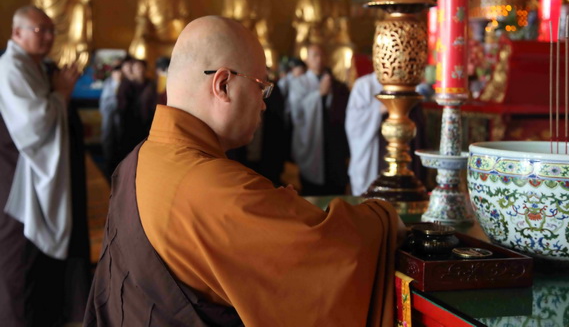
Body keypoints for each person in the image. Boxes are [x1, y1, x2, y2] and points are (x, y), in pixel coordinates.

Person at [85, 16, 403, 326]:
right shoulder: (217, 190)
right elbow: (333, 252)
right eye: (260, 88)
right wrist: (385, 218)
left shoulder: (139, 159)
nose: (263, 104)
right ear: (222, 85)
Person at [0, 6, 90, 326]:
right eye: (41, 30)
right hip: (16, 181)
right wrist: (61, 93)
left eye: (52, 30)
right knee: (18, 264)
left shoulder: (35, 66)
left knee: (39, 264)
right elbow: (33, 125)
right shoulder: (11, 67)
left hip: (37, 176)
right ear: (17, 33)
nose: (50, 37)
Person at [345, 72, 428, 196]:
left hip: (403, 149)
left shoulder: (408, 85)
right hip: (374, 152)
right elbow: (354, 123)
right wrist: (379, 109)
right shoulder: (364, 85)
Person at [288, 44, 350, 196]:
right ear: (307, 59)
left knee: (337, 191)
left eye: (322, 55)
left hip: (334, 144)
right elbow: (297, 112)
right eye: (315, 55)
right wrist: (319, 95)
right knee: (313, 193)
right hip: (311, 140)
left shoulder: (337, 85)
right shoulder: (299, 83)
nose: (319, 59)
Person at [293, 0, 355, 85]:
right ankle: (307, 83)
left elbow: (343, 21)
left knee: (346, 50)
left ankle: (340, 84)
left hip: (331, 40)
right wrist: (310, 25)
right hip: (312, 39)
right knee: (305, 51)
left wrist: (334, 24)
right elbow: (296, 21)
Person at [129, 0, 188, 76]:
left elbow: (184, 16)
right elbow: (141, 17)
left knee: (186, 51)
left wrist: (182, 35)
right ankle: (144, 80)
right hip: (152, 38)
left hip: (173, 39)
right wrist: (143, 33)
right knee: (142, 48)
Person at [222, 0, 278, 70]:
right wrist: (245, 22)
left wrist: (257, 21)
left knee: (269, 51)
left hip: (257, 33)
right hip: (238, 33)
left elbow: (266, 17)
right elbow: (226, 19)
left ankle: (271, 75)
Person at [117, 58, 157, 158]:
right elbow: (122, 106)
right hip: (130, 124)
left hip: (148, 123)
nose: (139, 70)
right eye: (136, 68)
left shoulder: (150, 84)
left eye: (141, 67)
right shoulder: (126, 85)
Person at [99, 58, 124, 179]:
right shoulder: (108, 83)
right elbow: (104, 104)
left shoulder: (126, 83)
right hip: (109, 118)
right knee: (108, 141)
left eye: (120, 69)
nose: (118, 72)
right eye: (115, 69)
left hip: (122, 120)